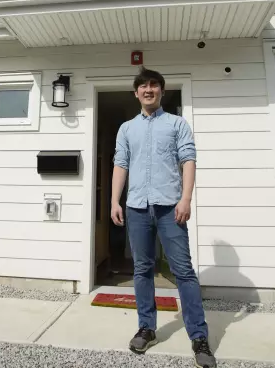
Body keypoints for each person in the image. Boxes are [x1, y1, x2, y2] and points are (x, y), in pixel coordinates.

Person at [111, 67, 216, 368]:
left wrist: (186, 198)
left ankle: (198, 336)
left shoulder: (177, 124)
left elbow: (188, 159)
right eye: (142, 86)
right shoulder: (126, 129)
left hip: (171, 208)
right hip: (137, 208)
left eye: (154, 85)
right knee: (142, 269)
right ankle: (147, 328)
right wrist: (114, 202)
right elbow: (120, 165)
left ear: (161, 91)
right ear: (136, 93)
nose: (148, 89)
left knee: (183, 271)